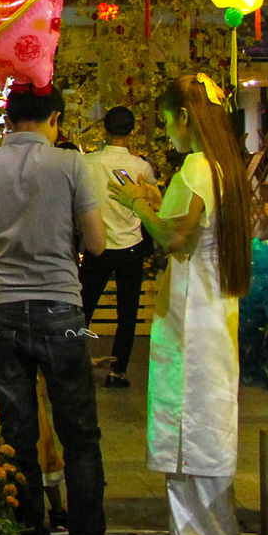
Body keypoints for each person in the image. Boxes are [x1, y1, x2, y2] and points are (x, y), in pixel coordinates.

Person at [0, 83, 131, 535]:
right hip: (61, 311)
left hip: (2, 312)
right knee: (79, 433)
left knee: (17, 433)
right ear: (54, 119)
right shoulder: (72, 165)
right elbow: (97, 244)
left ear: (7, 120)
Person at [112, 75, 254, 535]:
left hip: (193, 313)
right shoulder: (222, 166)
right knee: (205, 418)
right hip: (213, 309)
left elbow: (174, 237)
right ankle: (192, 533)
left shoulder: (196, 166)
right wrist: (152, 200)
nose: (167, 130)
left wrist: (134, 205)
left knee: (191, 420)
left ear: (186, 118)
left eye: (169, 119)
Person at [80, 106, 157, 388]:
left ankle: (74, 363)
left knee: (83, 307)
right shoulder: (142, 167)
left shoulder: (87, 163)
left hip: (97, 244)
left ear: (104, 129)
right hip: (131, 245)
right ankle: (117, 371)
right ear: (132, 131)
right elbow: (149, 199)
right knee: (128, 312)